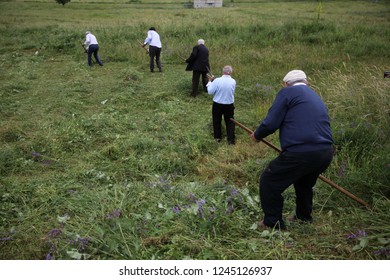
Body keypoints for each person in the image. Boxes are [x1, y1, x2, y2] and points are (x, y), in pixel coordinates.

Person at [251, 69, 334, 230]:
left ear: (286, 84)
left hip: (301, 152)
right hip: (325, 152)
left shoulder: (287, 93)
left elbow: (271, 123)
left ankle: (272, 222)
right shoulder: (314, 95)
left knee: (269, 181)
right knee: (304, 184)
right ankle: (304, 217)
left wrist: (257, 135)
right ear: (306, 82)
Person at [206, 65, 236, 145]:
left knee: (216, 121)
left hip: (217, 104)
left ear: (223, 72)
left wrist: (210, 81)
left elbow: (210, 92)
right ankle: (231, 140)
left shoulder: (217, 80)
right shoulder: (233, 81)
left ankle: (218, 138)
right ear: (231, 72)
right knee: (230, 122)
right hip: (229, 104)